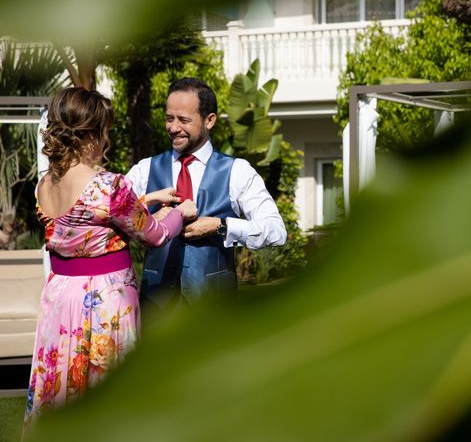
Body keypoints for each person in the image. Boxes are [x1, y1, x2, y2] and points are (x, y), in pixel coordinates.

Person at [24, 87, 197, 429]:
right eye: (104, 131)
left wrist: (145, 198)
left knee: (63, 386)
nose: (107, 139)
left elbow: (87, 222)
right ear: (90, 133)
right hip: (104, 302)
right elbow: (155, 235)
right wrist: (182, 212)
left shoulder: (44, 184)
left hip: (61, 298)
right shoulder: (110, 186)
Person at [126, 77, 286, 309]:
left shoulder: (237, 171)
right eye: (169, 119)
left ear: (209, 120)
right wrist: (147, 216)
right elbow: (112, 218)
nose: (173, 127)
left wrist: (220, 226)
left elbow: (276, 231)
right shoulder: (144, 170)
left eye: (184, 120)